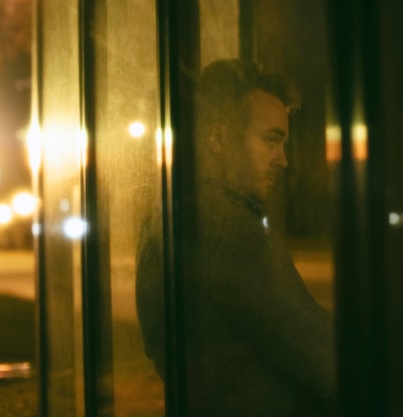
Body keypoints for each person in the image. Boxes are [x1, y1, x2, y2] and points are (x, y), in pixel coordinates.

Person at [136, 59, 335, 417]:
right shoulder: (232, 232)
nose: (283, 160)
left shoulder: (167, 216)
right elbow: (326, 360)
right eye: (271, 139)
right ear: (217, 138)